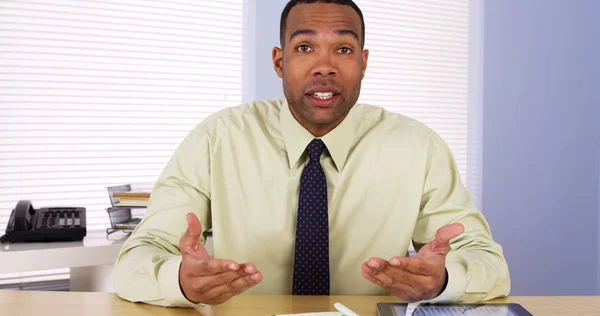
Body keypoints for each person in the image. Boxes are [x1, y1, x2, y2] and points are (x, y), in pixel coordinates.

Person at [113, 0, 510, 307]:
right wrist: (180, 280)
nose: (325, 67)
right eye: (305, 47)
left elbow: (489, 264)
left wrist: (442, 280)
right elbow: (138, 257)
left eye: (343, 49)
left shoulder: (418, 147)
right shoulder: (218, 138)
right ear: (279, 61)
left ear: (363, 63)